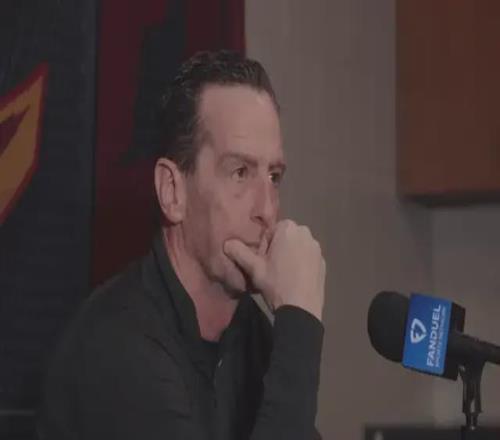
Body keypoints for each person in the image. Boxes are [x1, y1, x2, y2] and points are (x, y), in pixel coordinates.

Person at [38, 50, 326, 440]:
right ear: (172, 191)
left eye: (273, 176)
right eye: (240, 172)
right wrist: (300, 322)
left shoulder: (251, 337)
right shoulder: (117, 346)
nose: (267, 209)